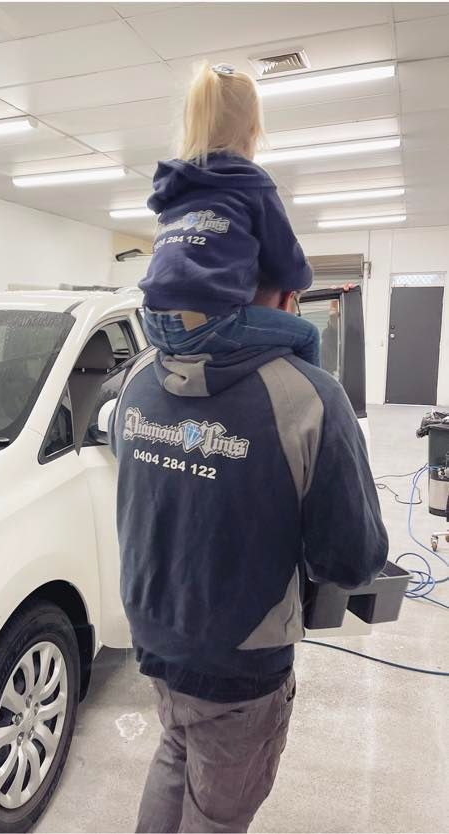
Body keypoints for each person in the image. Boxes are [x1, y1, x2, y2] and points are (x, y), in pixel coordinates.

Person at [109, 279, 388, 833]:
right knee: (219, 812)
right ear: (285, 297)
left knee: (176, 747)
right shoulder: (310, 394)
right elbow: (353, 560)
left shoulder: (140, 375)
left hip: (155, 632)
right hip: (241, 662)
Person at [139, 62, 320, 365]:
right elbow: (290, 269)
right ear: (252, 128)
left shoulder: (174, 187)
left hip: (153, 323)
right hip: (210, 323)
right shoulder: (250, 182)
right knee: (308, 335)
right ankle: (313, 396)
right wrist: (305, 276)